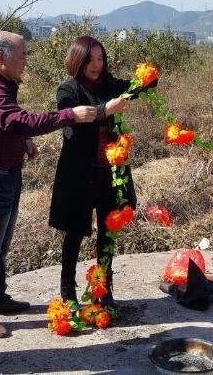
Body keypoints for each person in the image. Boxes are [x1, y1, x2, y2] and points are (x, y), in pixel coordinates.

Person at [0, 31, 97, 338]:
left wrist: (22, 140)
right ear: (1, 57)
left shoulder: (3, 84)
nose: (26, 61)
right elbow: (19, 120)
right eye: (22, 55)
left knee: (1, 242)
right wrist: (70, 115)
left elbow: (6, 125)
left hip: (8, 171)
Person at [50, 35, 156, 309]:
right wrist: (105, 110)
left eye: (100, 59)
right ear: (78, 61)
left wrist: (147, 76)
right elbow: (73, 117)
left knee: (108, 232)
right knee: (74, 233)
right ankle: (68, 291)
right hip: (79, 176)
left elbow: (141, 86)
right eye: (90, 60)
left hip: (110, 174)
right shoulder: (68, 91)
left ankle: (103, 289)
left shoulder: (109, 85)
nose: (96, 65)